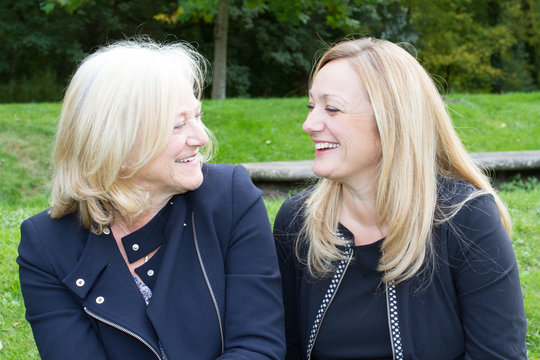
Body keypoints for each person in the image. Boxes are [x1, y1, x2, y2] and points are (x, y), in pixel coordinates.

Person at [17, 39, 285, 360]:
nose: (201, 137)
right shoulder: (47, 245)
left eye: (197, 116)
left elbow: (258, 346)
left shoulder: (229, 198)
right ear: (116, 142)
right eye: (177, 124)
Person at [274, 37, 527, 360]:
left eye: (332, 108)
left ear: (391, 119)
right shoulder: (298, 222)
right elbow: (285, 349)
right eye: (312, 106)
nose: (309, 124)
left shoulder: (466, 219)